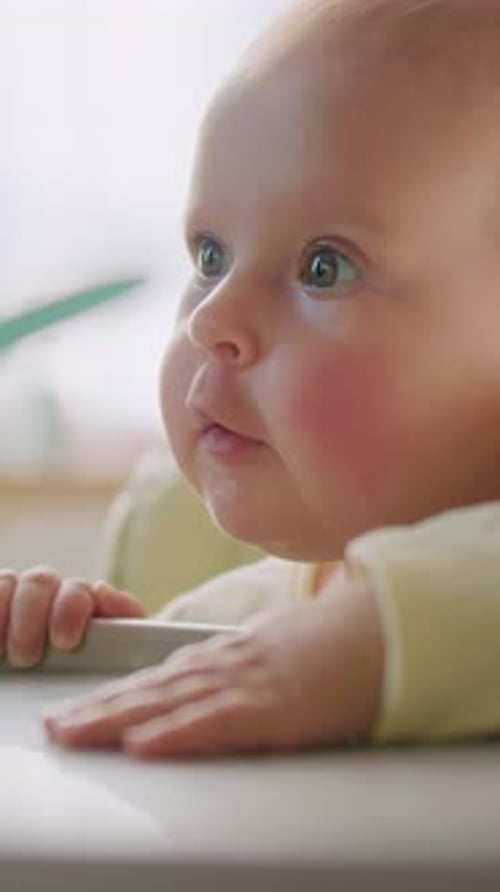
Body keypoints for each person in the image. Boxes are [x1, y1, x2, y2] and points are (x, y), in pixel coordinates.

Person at [3, 0, 500, 758]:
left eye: (324, 267)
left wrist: (371, 645)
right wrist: (74, 634)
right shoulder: (220, 597)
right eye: (210, 256)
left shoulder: (407, 629)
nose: (211, 320)